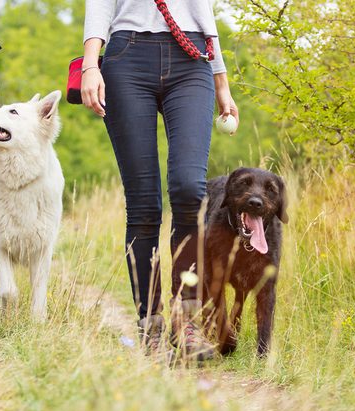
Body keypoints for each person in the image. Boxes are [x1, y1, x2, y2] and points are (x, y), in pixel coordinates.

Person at [81, 0, 239, 360]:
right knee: (144, 202)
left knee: (189, 189)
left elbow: (203, 12)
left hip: (192, 56)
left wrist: (221, 82)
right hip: (127, 55)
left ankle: (188, 319)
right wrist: (92, 62)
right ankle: (150, 325)